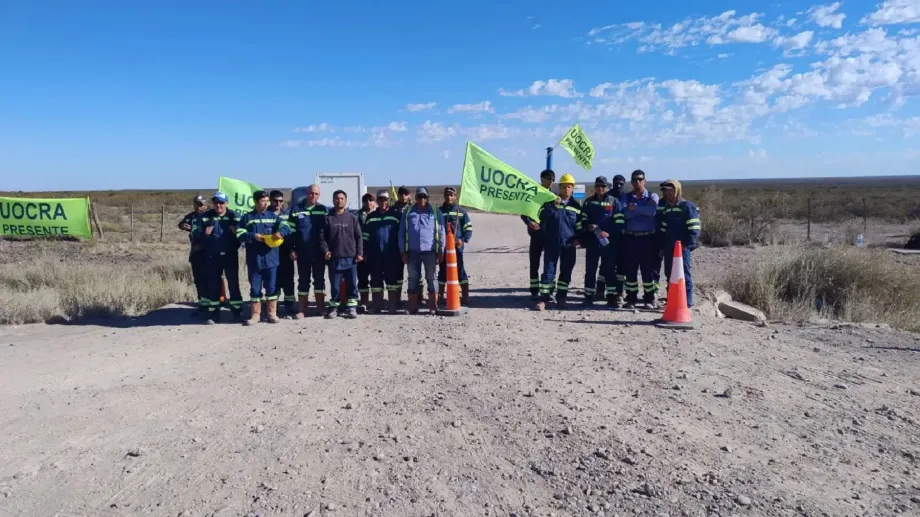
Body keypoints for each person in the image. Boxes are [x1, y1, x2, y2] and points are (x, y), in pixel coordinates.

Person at [236, 190, 291, 325]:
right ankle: (255, 315)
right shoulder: (247, 217)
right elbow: (239, 233)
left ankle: (272, 314)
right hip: (254, 259)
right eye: (263, 201)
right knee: (255, 288)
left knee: (271, 287)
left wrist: (281, 232)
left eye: (267, 201)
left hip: (271, 259)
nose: (266, 204)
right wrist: (252, 236)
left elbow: (286, 226)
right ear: (255, 202)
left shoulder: (273, 216)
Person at [191, 192, 244, 324]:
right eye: (216, 202)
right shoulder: (205, 217)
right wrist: (204, 234)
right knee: (213, 285)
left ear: (226, 203)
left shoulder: (234, 216)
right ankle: (214, 314)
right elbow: (194, 231)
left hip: (230, 255)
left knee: (233, 284)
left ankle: (237, 312)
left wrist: (237, 231)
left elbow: (245, 231)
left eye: (221, 202)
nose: (218, 205)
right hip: (212, 256)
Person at [535, 173, 583, 311]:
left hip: (569, 245)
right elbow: (540, 216)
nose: (566, 189)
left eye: (569, 186)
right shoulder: (551, 202)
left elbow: (580, 226)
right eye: (563, 186)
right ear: (559, 187)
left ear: (572, 188)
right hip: (552, 242)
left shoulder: (576, 207)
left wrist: (578, 239)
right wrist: (553, 207)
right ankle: (544, 299)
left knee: (566, 272)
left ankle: (561, 298)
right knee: (548, 272)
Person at [399, 187, 445, 315]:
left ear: (428, 198)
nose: (422, 199)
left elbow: (441, 233)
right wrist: (403, 252)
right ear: (416, 198)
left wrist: (441, 251)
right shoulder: (408, 212)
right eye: (420, 197)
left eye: (424, 197)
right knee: (413, 278)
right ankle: (412, 307)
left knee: (431, 278)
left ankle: (433, 306)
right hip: (412, 252)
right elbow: (401, 233)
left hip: (430, 252)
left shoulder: (435, 212)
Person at [319, 190, 364, 319]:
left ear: (345, 200)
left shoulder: (352, 218)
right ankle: (334, 308)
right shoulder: (328, 218)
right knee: (335, 286)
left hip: (351, 258)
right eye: (337, 198)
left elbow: (359, 237)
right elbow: (322, 238)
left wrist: (359, 253)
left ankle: (352, 308)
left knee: (352, 285)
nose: (339, 200)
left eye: (342, 198)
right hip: (334, 259)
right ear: (333, 200)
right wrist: (326, 251)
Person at [620, 169, 661, 309]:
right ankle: (631, 298)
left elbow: (652, 212)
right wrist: (642, 210)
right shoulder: (626, 197)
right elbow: (625, 214)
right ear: (631, 182)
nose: (637, 182)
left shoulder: (652, 196)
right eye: (634, 179)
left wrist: (635, 209)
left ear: (645, 181)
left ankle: (649, 298)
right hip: (630, 238)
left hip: (647, 238)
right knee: (630, 269)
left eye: (640, 179)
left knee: (647, 269)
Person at [657, 179, 700, 307]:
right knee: (670, 274)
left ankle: (687, 303)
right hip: (669, 246)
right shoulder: (668, 208)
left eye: (670, 190)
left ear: (677, 190)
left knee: (684, 274)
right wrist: (662, 246)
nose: (667, 193)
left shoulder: (687, 206)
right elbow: (664, 228)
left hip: (682, 248)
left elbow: (694, 229)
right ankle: (673, 301)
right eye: (665, 191)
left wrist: (687, 245)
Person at [288, 184, 329, 318]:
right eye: (311, 193)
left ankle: (320, 307)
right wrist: (291, 249)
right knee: (303, 281)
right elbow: (291, 232)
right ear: (307, 193)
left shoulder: (322, 210)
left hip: (319, 252)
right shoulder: (296, 210)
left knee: (319, 280)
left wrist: (327, 250)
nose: (313, 196)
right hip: (302, 252)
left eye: (316, 194)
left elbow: (327, 232)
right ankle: (302, 309)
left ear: (319, 195)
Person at [582, 176, 621, 306]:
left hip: (608, 243)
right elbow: (583, 219)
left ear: (607, 187)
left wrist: (609, 233)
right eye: (598, 186)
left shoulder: (613, 201)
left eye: (603, 186)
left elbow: (620, 221)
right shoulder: (588, 202)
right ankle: (588, 296)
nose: (600, 188)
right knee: (590, 270)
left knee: (609, 269)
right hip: (592, 242)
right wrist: (588, 226)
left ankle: (611, 297)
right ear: (594, 187)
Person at [364, 189, 404, 313]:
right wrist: (365, 252)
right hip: (375, 255)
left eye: (385, 199)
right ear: (377, 201)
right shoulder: (371, 217)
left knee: (392, 281)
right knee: (375, 281)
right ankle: (377, 306)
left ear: (388, 200)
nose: (383, 202)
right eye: (380, 199)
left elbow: (402, 235)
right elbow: (365, 236)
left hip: (391, 255)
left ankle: (392, 306)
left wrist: (402, 252)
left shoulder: (396, 216)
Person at [522, 169, 556, 300]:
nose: (551, 181)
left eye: (553, 179)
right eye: (548, 179)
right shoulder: (533, 194)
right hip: (536, 235)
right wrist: (529, 222)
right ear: (542, 179)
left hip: (550, 235)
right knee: (534, 263)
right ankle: (534, 290)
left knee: (550, 264)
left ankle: (548, 290)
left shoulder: (554, 197)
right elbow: (524, 212)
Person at [438, 186, 473, 306]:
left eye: (451, 195)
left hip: (456, 249)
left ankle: (465, 296)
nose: (449, 197)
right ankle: (440, 296)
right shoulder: (439, 211)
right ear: (444, 196)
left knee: (460, 270)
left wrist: (462, 240)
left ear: (455, 196)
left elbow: (468, 229)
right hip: (443, 248)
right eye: (447, 194)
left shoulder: (461, 212)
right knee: (442, 271)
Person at [179, 195, 209, 316]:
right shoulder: (191, 216)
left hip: (209, 252)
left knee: (210, 280)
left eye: (201, 204)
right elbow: (181, 224)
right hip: (196, 252)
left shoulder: (210, 216)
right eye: (196, 204)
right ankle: (202, 305)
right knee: (198, 280)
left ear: (206, 205)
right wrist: (183, 226)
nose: (198, 207)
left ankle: (213, 306)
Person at [268, 190, 296, 316]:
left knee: (288, 279)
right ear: (270, 200)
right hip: (271, 253)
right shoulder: (265, 215)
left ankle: (289, 306)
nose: (278, 203)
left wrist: (292, 249)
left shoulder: (287, 214)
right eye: (275, 201)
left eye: (280, 201)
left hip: (286, 252)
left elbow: (292, 233)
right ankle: (274, 307)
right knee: (273, 280)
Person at [357, 193, 376, 312]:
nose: (368, 202)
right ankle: (364, 302)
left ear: (374, 202)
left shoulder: (378, 214)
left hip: (375, 252)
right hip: (361, 252)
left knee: (376, 278)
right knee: (362, 278)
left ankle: (376, 302)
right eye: (365, 200)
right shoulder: (356, 216)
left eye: (371, 200)